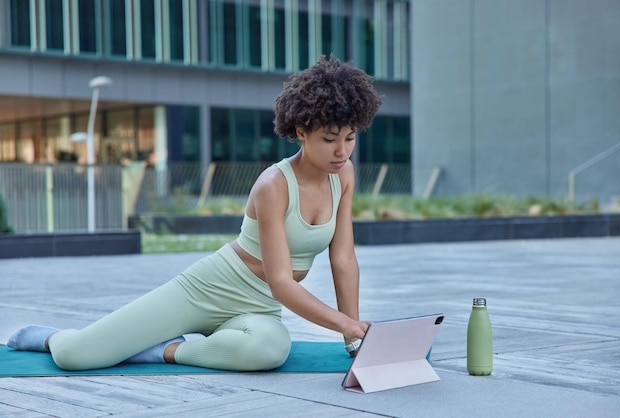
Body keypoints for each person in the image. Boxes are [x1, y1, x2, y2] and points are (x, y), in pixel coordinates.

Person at [6, 55, 382, 372]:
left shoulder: (343, 175)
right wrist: (345, 323)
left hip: (259, 306)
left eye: (350, 138)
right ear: (301, 130)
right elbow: (282, 281)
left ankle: (165, 350)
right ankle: (46, 336)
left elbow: (343, 258)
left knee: (269, 350)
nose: (342, 151)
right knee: (77, 356)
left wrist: (353, 340)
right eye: (329, 140)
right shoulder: (274, 185)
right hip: (209, 289)